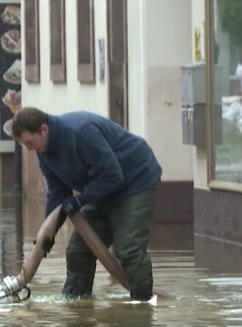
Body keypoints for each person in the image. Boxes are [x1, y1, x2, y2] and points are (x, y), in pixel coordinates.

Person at [12, 107, 163, 301]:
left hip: (135, 182)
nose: (30, 149)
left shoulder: (80, 132)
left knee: (128, 249)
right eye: (25, 145)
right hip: (101, 189)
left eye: (30, 143)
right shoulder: (44, 150)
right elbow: (57, 193)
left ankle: (141, 307)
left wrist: (80, 200)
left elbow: (112, 175)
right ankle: (76, 307)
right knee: (78, 252)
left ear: (43, 129)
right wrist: (47, 235)